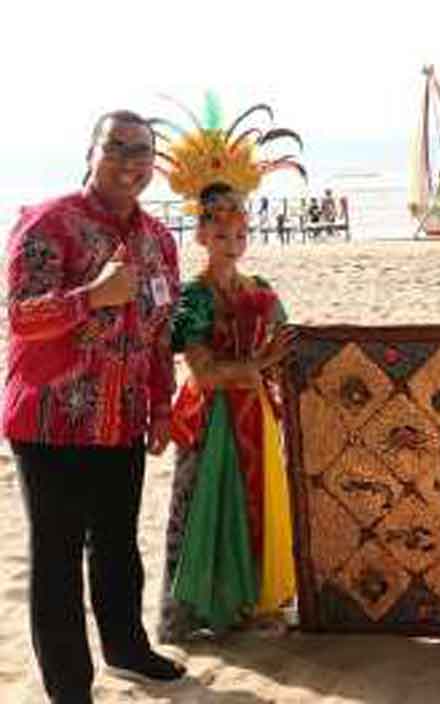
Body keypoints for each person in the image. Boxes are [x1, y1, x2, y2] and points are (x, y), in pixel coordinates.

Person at [4, 110, 186, 702]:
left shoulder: (159, 239)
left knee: (116, 541)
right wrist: (94, 297)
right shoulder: (47, 223)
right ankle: (69, 686)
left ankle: (126, 649)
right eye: (119, 146)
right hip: (51, 421)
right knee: (56, 555)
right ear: (91, 150)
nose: (132, 160)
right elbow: (22, 318)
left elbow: (162, 331)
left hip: (122, 420)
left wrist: (161, 407)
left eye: (144, 151)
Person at [153, 94, 304, 643]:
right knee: (199, 509)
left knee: (259, 503)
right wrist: (259, 364)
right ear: (200, 235)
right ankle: (192, 611)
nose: (232, 243)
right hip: (210, 413)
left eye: (239, 234)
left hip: (256, 412)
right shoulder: (192, 296)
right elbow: (202, 370)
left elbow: (291, 342)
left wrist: (280, 364)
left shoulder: (261, 290)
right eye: (220, 234)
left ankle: (251, 603)